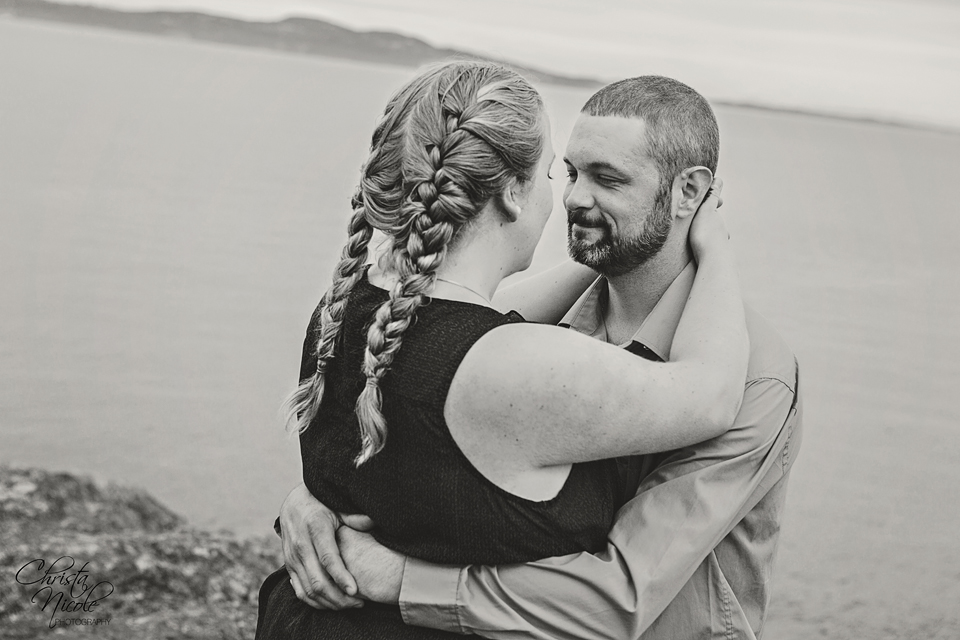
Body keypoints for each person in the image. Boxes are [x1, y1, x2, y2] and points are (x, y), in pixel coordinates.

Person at [277, 75, 803, 639]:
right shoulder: (533, 339)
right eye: (569, 173)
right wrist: (316, 497)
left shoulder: (755, 377)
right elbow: (420, 402)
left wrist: (398, 575)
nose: (574, 198)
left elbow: (621, 597)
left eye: (607, 178)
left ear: (689, 192)